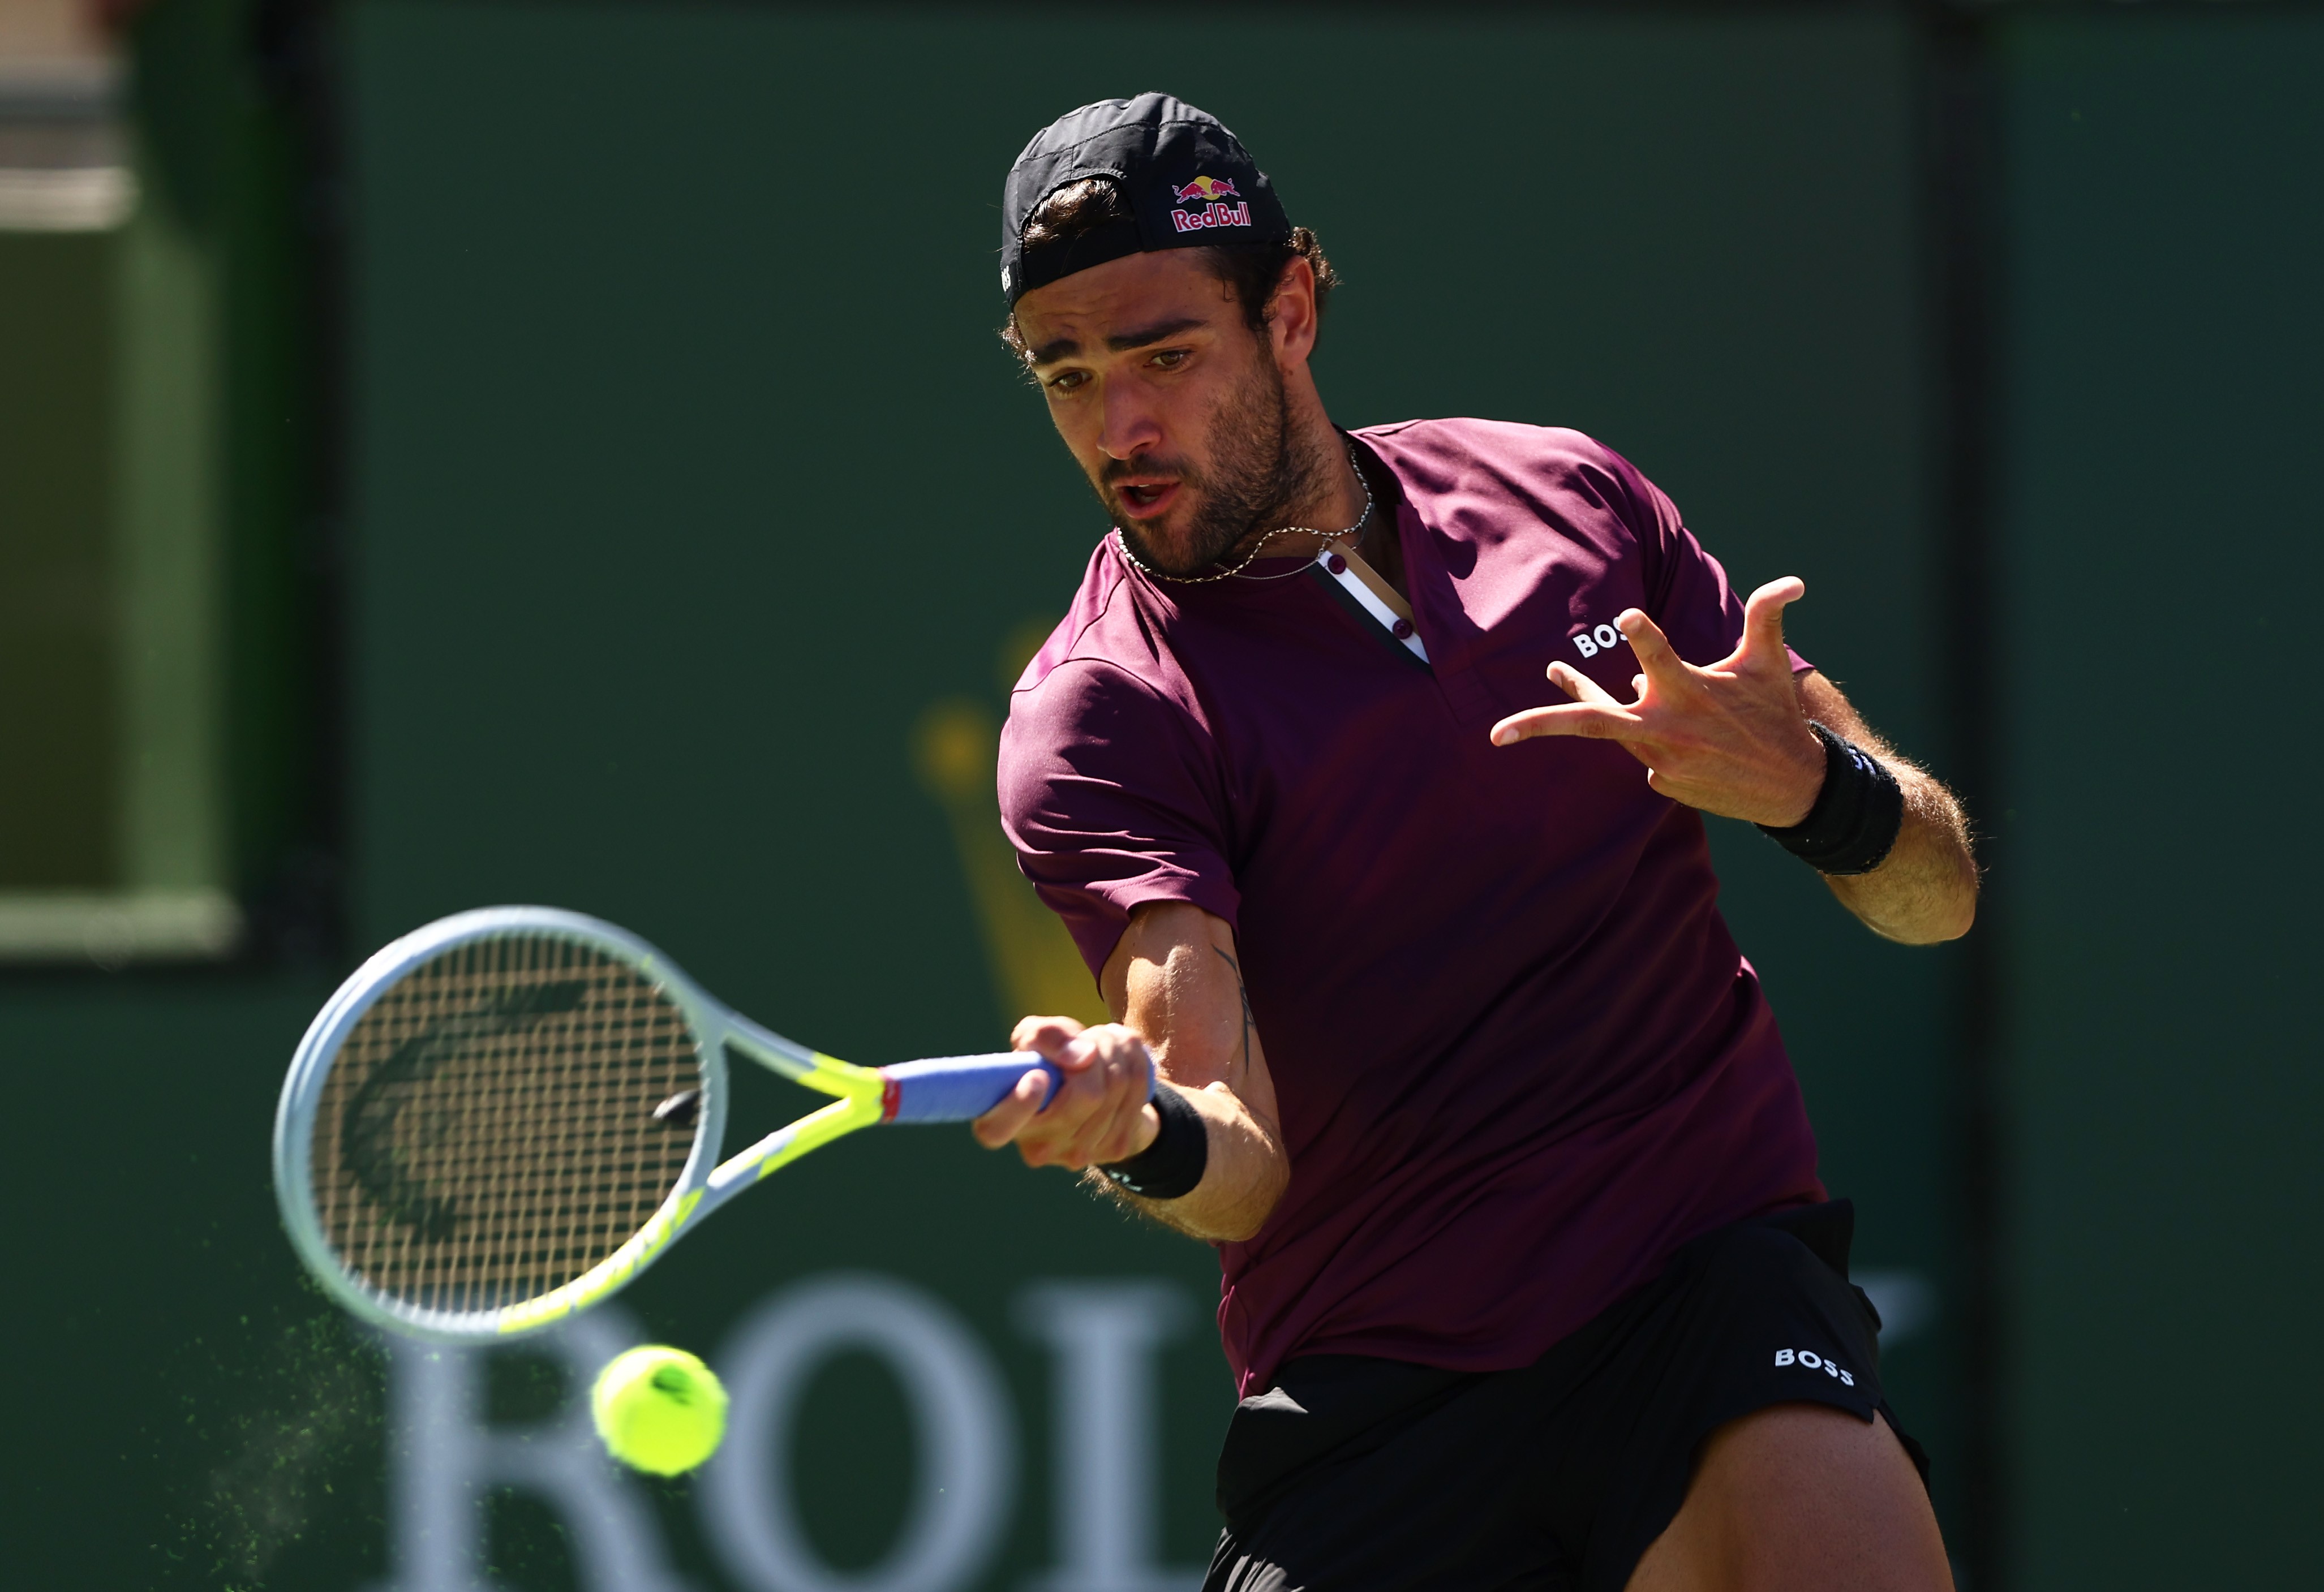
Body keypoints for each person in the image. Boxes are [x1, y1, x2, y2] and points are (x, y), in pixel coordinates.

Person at [973, 94, 1976, 1592]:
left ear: (1291, 310)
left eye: (1164, 357)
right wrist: (1140, 1128)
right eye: (1069, 376)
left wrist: (1817, 789)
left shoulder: (1567, 502)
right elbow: (1231, 1158)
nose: (1120, 427)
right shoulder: (1107, 709)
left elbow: (1931, 898)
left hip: (1700, 1289)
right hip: (1388, 1402)